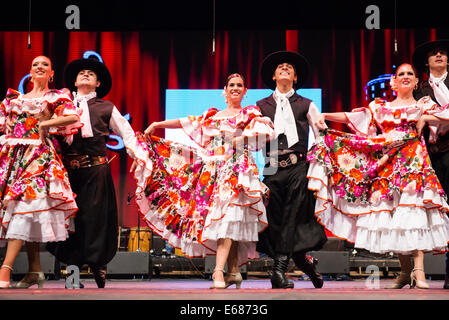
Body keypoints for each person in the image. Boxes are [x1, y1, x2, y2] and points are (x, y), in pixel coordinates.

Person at [309, 63, 449, 289]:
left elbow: (446, 114)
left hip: (412, 163)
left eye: (409, 74)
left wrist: (428, 118)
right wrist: (324, 114)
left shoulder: (423, 103)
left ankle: (419, 271)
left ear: (416, 82)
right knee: (393, 217)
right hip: (387, 165)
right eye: (400, 74)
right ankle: (405, 272)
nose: (405, 77)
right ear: (393, 82)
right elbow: (355, 117)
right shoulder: (380, 107)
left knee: (412, 212)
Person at [134, 73, 274, 289]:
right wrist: (157, 123)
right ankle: (234, 271)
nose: (235, 88)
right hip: (212, 172)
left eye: (240, 85)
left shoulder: (250, 114)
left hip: (236, 170)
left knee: (229, 219)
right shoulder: (212, 116)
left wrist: (241, 138)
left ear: (245, 91)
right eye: (231, 85)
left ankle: (218, 272)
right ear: (224, 91)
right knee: (229, 221)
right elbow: (185, 121)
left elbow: (266, 133)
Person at [44, 57, 148, 288]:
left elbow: (127, 134)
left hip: (96, 170)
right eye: (82, 72)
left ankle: (97, 265)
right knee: (68, 222)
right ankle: (72, 274)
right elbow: (46, 130)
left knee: (94, 221)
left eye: (91, 73)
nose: (86, 74)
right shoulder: (60, 105)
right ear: (74, 80)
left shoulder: (106, 107)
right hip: (67, 174)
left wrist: (140, 158)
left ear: (98, 83)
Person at [0, 55, 80, 289]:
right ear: (30, 71)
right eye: (35, 64)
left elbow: (73, 117)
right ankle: (35, 270)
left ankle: (6, 268)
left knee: (25, 206)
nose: (40, 67)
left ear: (51, 73)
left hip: (39, 156)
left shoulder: (56, 96)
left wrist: (45, 124)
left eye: (45, 64)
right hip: (14, 158)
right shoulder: (14, 99)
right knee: (26, 209)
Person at [255, 51, 328, 289]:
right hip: (272, 164)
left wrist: (319, 167)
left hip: (298, 163)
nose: (285, 68)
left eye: (289, 67)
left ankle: (278, 271)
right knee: (274, 218)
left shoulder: (307, 104)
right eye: (280, 67)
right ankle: (306, 264)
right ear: (274, 76)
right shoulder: (260, 106)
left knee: (292, 213)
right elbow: (253, 138)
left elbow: (321, 136)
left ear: (295, 77)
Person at [412, 40, 449, 289]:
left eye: (443, 53)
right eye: (433, 54)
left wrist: (426, 116)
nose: (438, 55)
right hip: (431, 156)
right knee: (438, 210)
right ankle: (418, 270)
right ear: (426, 62)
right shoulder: (419, 89)